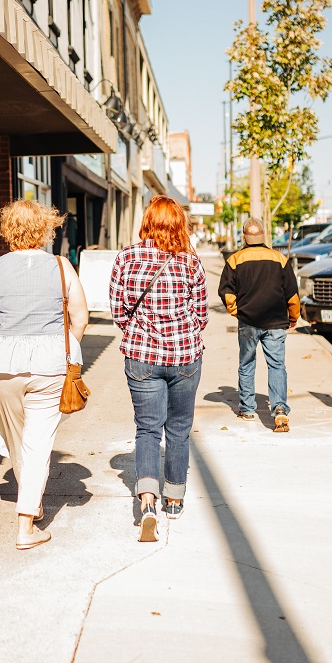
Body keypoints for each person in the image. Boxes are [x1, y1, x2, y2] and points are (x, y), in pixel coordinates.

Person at [0, 200, 88, 550]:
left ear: (8, 229)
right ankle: (26, 525)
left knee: (17, 440)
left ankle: (31, 502)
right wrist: (62, 347)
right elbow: (80, 318)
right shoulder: (61, 265)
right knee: (37, 444)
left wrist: (4, 347)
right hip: (50, 366)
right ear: (44, 229)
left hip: (0, 366)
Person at [109, 195, 209, 541]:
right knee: (179, 430)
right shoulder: (191, 263)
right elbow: (202, 316)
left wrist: (141, 332)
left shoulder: (126, 257)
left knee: (147, 430)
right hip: (184, 356)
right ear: (179, 224)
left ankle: (147, 502)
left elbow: (119, 311)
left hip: (142, 357)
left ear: (148, 221)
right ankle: (175, 499)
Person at [218, 217, 300, 431]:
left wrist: (238, 313)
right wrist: (293, 316)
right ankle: (280, 409)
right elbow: (292, 295)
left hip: (248, 322)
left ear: (244, 237)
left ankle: (247, 409)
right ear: (264, 235)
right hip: (275, 323)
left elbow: (226, 293)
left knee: (247, 364)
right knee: (277, 365)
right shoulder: (279, 259)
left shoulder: (235, 260)